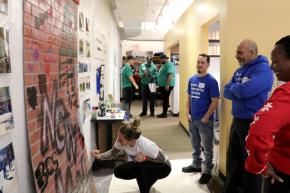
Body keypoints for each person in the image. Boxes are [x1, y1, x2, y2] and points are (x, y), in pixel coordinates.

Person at [223, 39, 274, 193]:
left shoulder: (264, 70)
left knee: (251, 162)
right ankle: (232, 188)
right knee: (234, 158)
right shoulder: (240, 70)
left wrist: (236, 90)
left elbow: (246, 91)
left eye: (240, 52)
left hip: (252, 122)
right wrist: (238, 90)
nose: (236, 56)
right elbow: (226, 91)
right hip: (237, 120)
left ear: (252, 52)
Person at [245, 35, 290, 193]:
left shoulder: (286, 93)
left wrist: (260, 165)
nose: (272, 67)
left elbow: (258, 131)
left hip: (282, 175)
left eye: (276, 61)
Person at [91, 118, 171, 193]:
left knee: (139, 167)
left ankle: (145, 187)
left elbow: (162, 159)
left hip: (163, 167)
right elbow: (113, 153)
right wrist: (100, 156)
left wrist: (144, 158)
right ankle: (147, 179)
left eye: (121, 139)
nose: (118, 140)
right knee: (118, 171)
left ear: (132, 140)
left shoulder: (146, 145)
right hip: (144, 163)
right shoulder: (121, 141)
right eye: (118, 136)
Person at [182, 54, 220, 184]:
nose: (200, 64)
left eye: (203, 62)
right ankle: (196, 165)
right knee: (195, 145)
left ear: (208, 65)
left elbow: (215, 102)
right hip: (193, 119)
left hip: (205, 121)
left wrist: (206, 117)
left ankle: (207, 171)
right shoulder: (192, 79)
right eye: (198, 62)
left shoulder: (211, 81)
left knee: (207, 147)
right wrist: (187, 113)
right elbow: (189, 98)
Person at [156, 54, 176, 118]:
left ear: (165, 59)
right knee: (165, 99)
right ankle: (164, 113)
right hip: (163, 85)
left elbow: (170, 74)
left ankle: (164, 114)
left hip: (167, 85)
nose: (161, 60)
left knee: (165, 99)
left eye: (162, 59)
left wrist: (167, 84)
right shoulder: (164, 65)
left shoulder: (169, 64)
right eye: (161, 59)